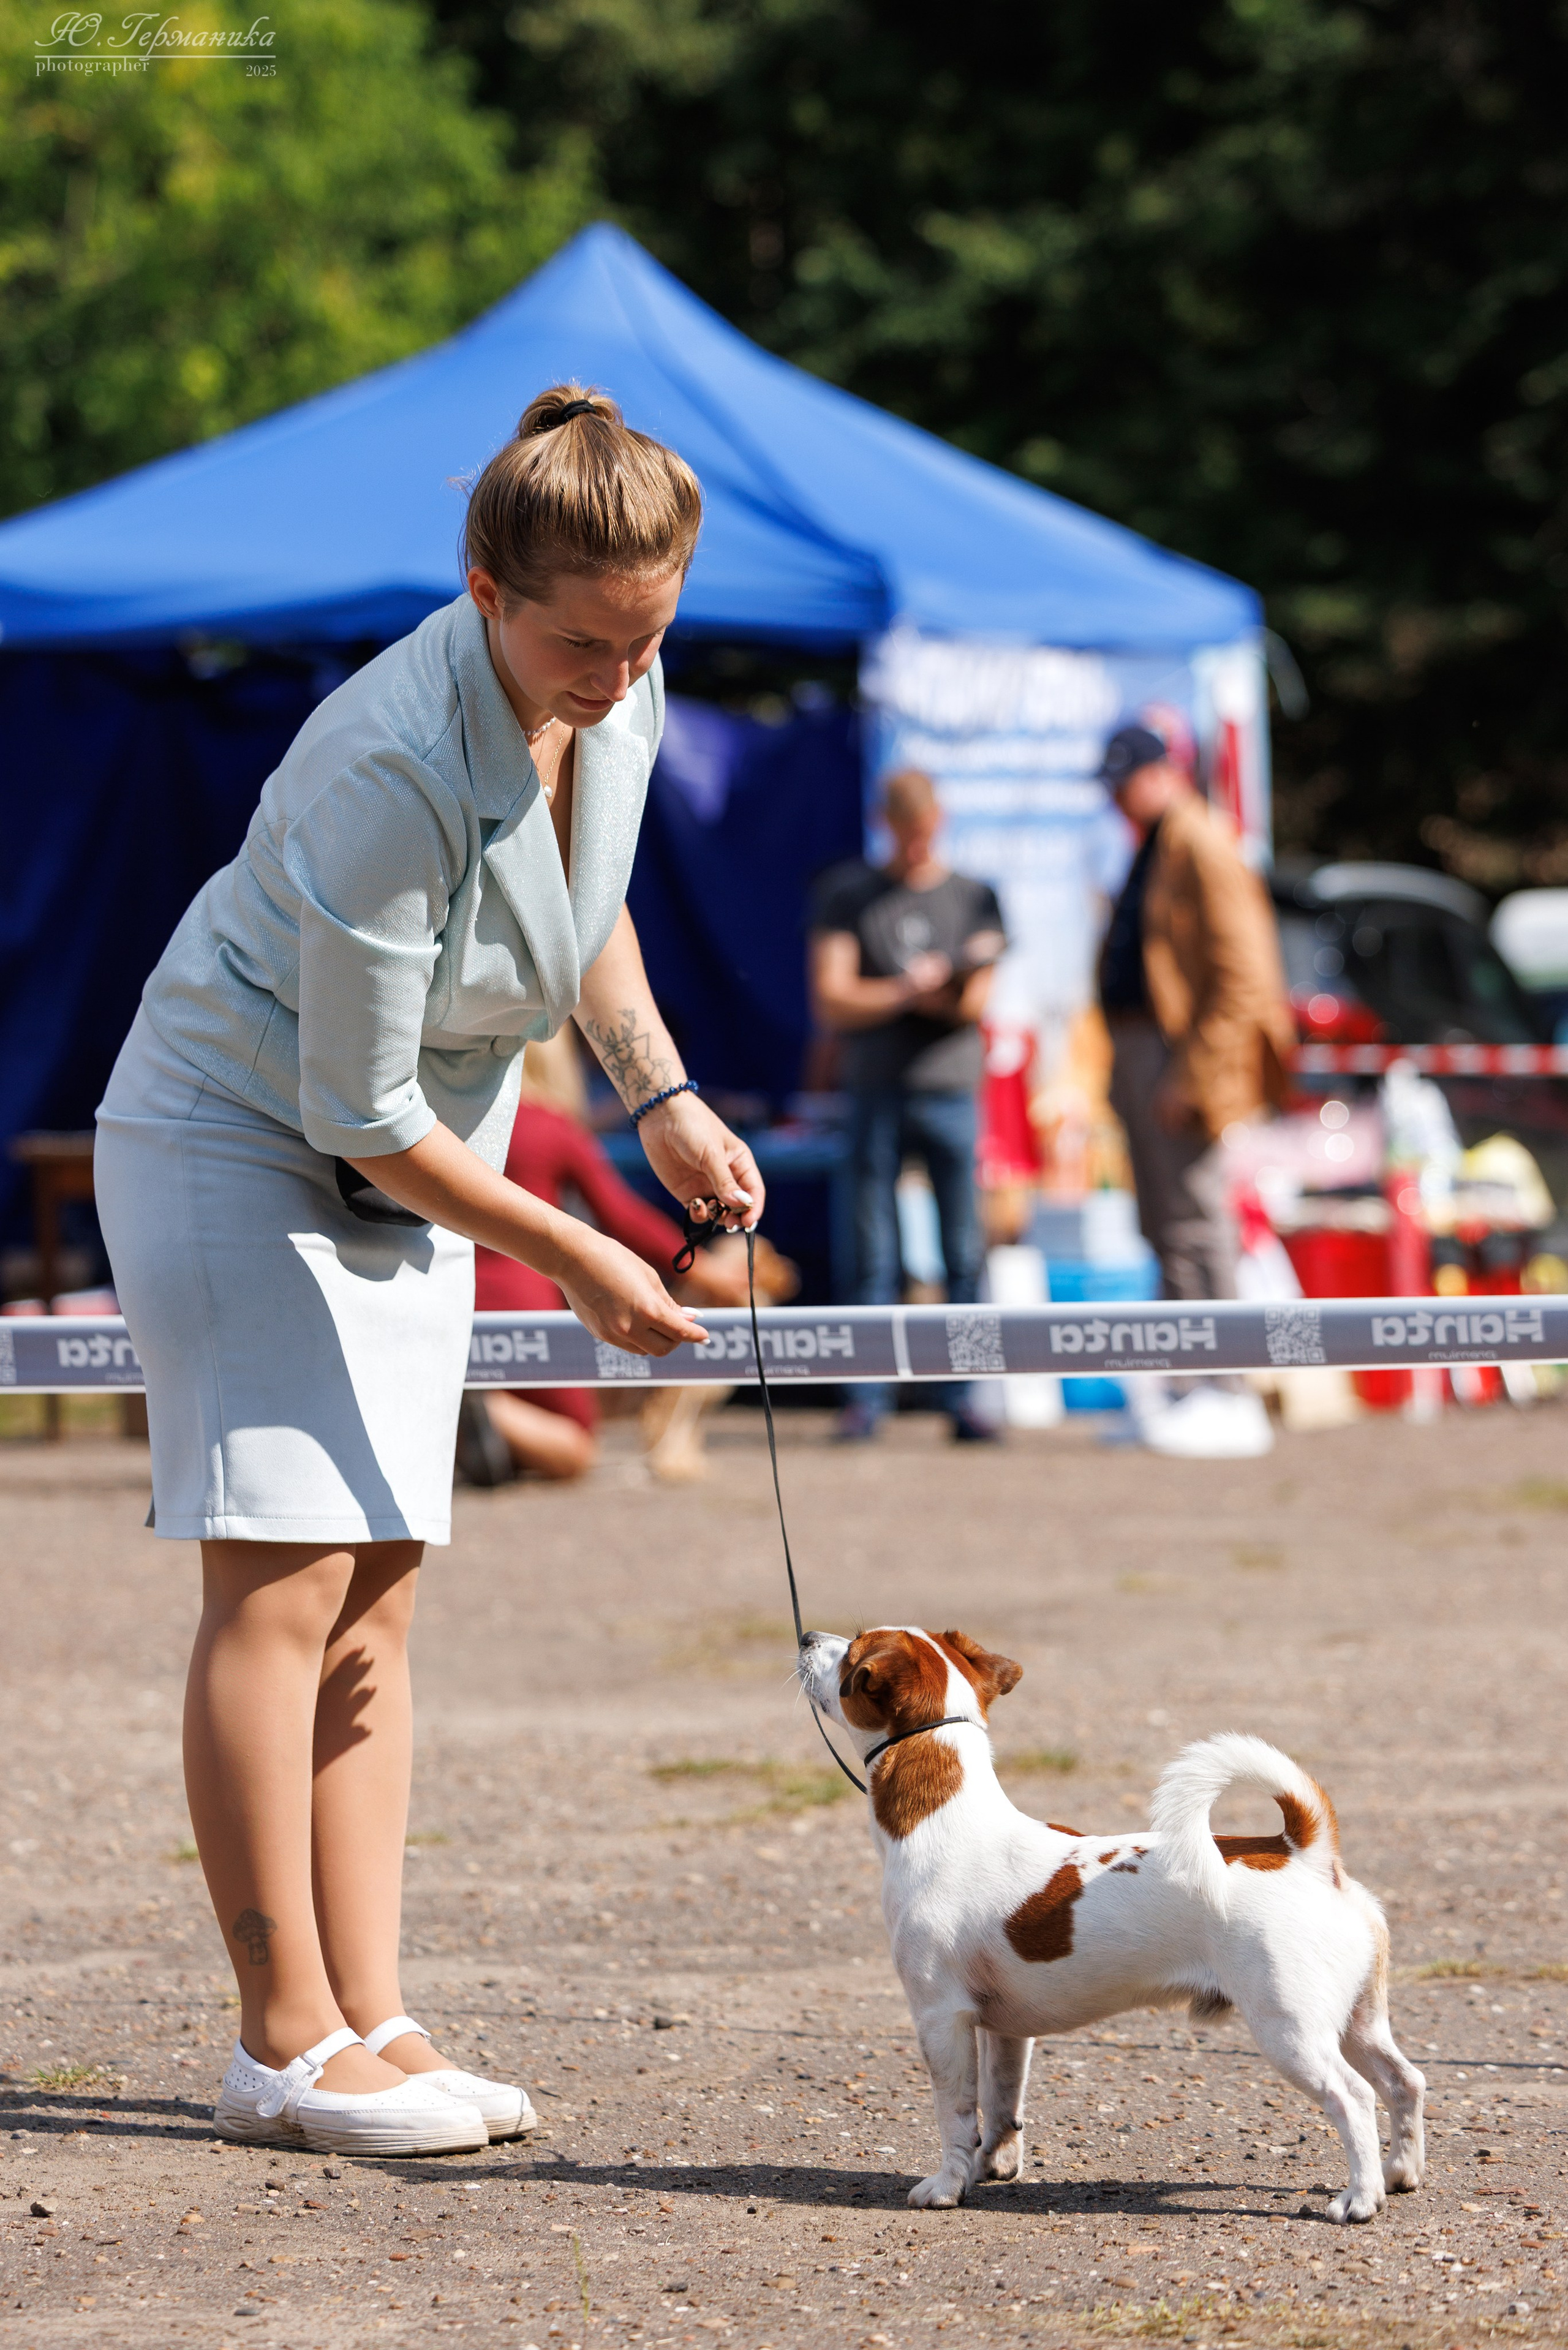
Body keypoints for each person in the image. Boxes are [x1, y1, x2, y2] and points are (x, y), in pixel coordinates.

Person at [92, 383, 764, 2158]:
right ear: (481, 587)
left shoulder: (607, 678)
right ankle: (279, 2038)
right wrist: (580, 1249)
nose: (619, 678)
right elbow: (362, 1106)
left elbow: (586, 894)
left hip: (402, 1156)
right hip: (239, 1138)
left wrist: (664, 1097)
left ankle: (373, 2014)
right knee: (283, 1577)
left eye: (651, 638)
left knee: (381, 1588)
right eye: (582, 643)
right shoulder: (387, 757)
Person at [1096, 722, 1295, 1459]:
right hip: (1146, 1052)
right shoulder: (1160, 838)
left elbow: (1245, 976)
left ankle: (1224, 1388)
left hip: (1179, 1058)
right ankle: (1186, 1385)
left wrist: (1194, 1074)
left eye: (1124, 780)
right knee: (1164, 1228)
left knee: (1196, 1226)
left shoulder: (1202, 841)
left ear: (1160, 772)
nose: (1116, 797)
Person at [459, 1038, 757, 1483]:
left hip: (452, 1292)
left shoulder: (453, 1123)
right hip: (525, 1301)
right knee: (575, 1447)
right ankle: (474, 1404)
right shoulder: (551, 1125)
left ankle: (466, 1409)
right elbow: (623, 1215)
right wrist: (706, 1270)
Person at [810, 767, 1005, 1442]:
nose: (917, 847)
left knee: (964, 1251)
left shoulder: (974, 896)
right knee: (870, 1252)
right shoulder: (849, 895)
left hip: (950, 1088)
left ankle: (968, 1397)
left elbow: (974, 1002)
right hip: (875, 1089)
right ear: (886, 824)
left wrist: (904, 993)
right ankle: (866, 1398)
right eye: (906, 834)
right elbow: (832, 997)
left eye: (925, 834)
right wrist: (907, 991)